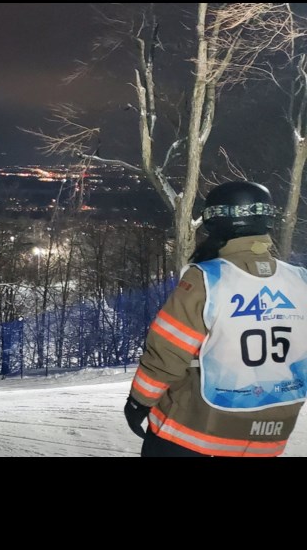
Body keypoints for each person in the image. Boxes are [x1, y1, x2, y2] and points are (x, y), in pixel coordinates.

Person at [124, 181, 307, 457]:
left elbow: (167, 352)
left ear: (215, 221)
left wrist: (139, 401)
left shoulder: (207, 279)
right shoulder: (299, 280)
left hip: (194, 434)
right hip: (268, 439)